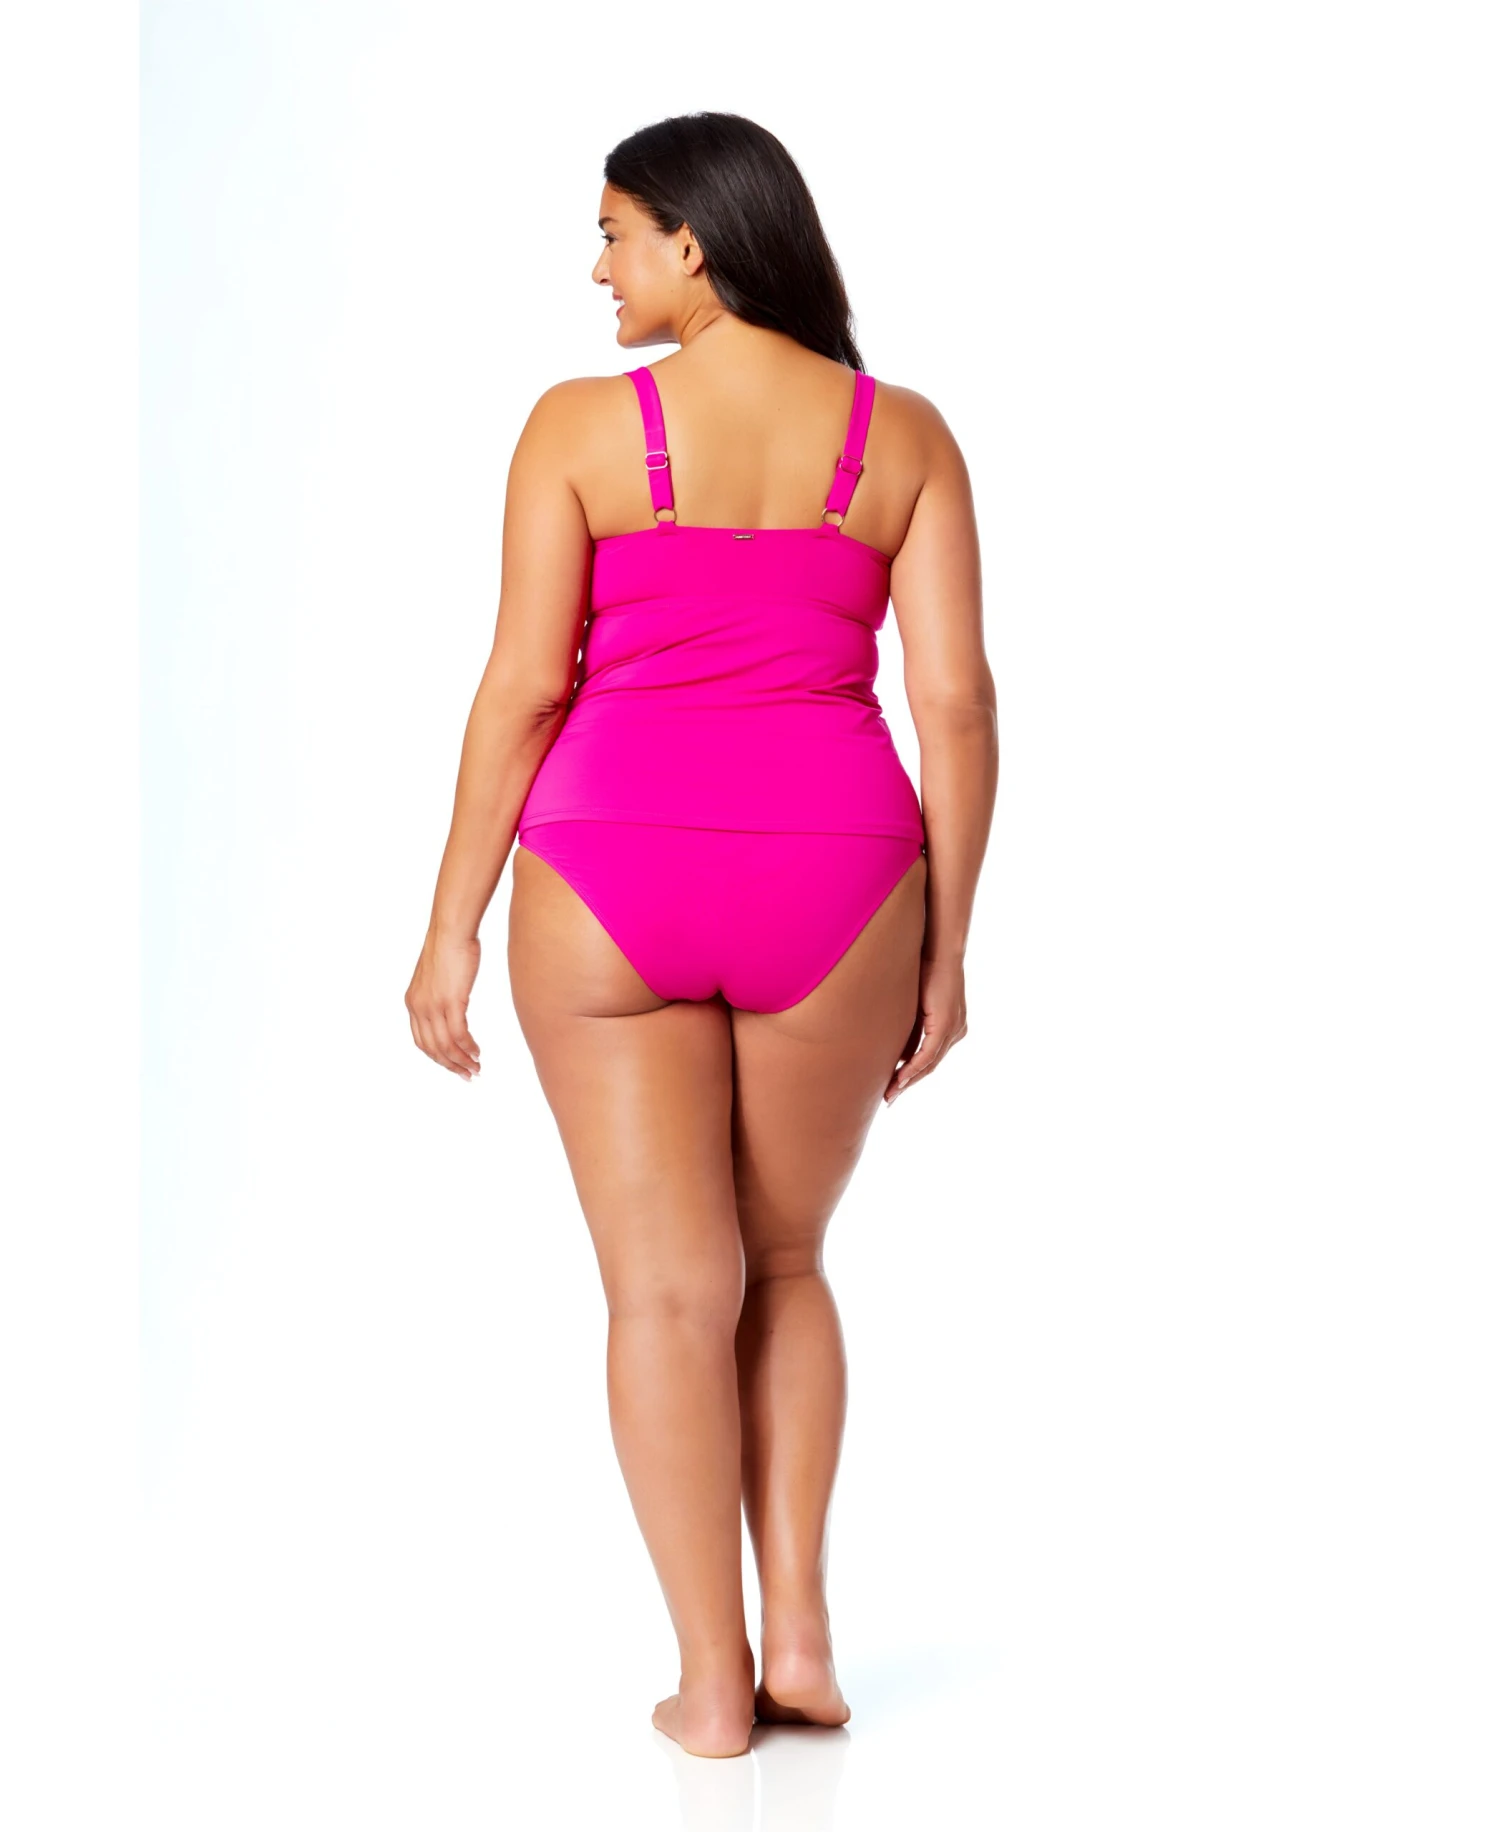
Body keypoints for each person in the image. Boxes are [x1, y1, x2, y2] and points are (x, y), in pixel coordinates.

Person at [405, 112, 997, 1759]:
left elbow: (524, 689)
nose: (597, 268)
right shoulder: (904, 438)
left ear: (695, 240)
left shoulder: (580, 430)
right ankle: (801, 1637)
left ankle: (712, 1684)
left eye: (614, 232)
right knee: (785, 1263)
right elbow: (955, 704)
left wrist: (450, 927)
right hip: (840, 876)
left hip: (610, 871)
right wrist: (949, 949)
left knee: (669, 1295)